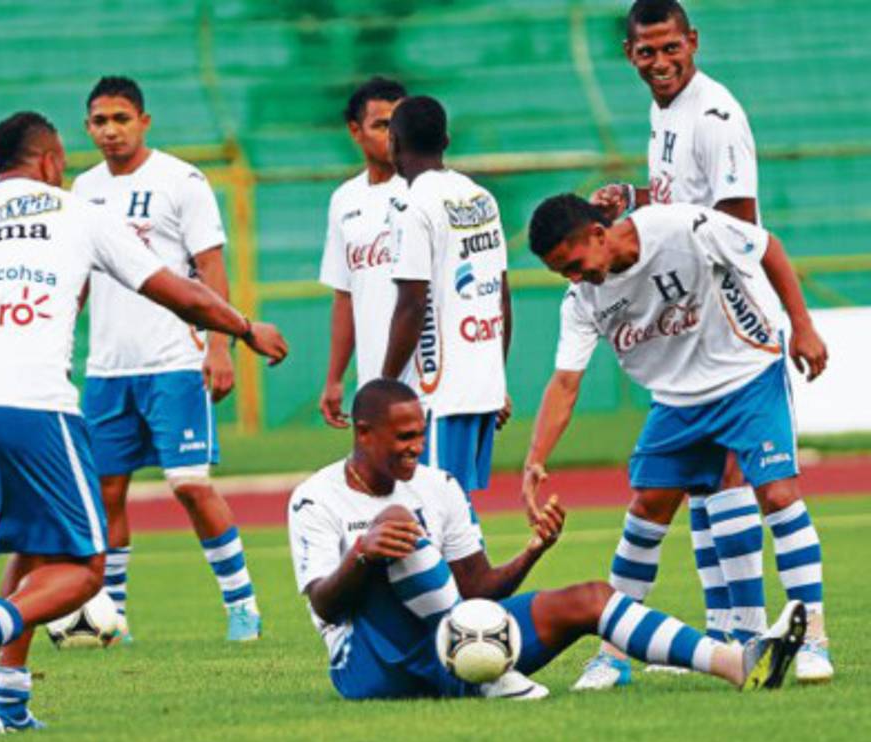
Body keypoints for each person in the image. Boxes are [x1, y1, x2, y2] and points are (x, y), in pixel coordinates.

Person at [0, 111, 287, 733]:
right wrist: (245, 329)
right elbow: (174, 290)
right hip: (34, 405)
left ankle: (9, 702)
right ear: (47, 160)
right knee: (85, 568)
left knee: (35, 547)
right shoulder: (77, 212)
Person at [287, 379, 806, 701]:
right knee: (400, 525)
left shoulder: (438, 484)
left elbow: (478, 592)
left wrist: (533, 551)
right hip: (371, 666)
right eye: (404, 438)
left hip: (456, 645)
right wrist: (363, 553)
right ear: (362, 433)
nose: (417, 448)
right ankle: (488, 677)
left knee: (590, 598)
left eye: (421, 435)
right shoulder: (315, 498)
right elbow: (327, 608)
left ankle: (737, 664)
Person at [523, 193, 832, 689]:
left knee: (777, 493)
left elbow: (767, 245)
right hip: (676, 400)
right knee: (647, 507)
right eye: (562, 273)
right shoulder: (582, 299)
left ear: (599, 235)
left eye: (574, 265)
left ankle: (814, 639)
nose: (574, 278)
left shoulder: (681, 228)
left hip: (747, 376)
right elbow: (565, 382)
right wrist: (534, 460)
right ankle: (613, 654)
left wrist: (803, 325)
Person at [584, 0, 773, 687]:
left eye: (671, 49)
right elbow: (676, 195)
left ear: (693, 41)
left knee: (702, 479)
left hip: (718, 306)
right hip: (687, 306)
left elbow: (738, 223)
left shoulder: (715, 116)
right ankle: (729, 631)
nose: (660, 63)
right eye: (646, 53)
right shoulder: (665, 110)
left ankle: (736, 633)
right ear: (630, 55)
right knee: (697, 481)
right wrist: (633, 198)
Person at [72, 76, 261, 642]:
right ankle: (115, 617)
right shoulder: (81, 190)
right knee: (107, 491)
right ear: (88, 128)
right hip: (107, 370)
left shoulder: (182, 180)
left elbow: (211, 268)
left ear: (144, 121)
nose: (111, 130)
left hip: (175, 360)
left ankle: (242, 605)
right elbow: (75, 278)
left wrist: (220, 345)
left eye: (121, 119)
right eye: (100, 121)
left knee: (188, 483)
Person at [380, 96, 511, 509]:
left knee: (437, 516)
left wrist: (384, 387)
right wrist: (497, 377)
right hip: (482, 385)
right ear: (447, 140)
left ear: (393, 143)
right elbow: (501, 296)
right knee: (456, 510)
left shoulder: (414, 205)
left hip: (440, 394)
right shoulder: (480, 197)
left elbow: (412, 306)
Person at [317, 76, 408, 427]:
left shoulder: (426, 189)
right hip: (374, 376)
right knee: (385, 479)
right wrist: (335, 378)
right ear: (355, 131)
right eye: (381, 125)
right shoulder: (344, 200)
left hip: (431, 371)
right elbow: (345, 296)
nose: (392, 135)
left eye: (398, 124)